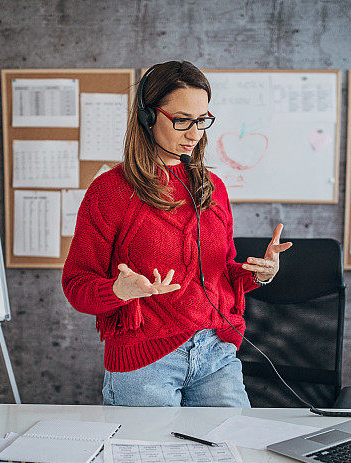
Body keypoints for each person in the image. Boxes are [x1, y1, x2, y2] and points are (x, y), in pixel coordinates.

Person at [62, 60, 291, 407]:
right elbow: (76, 286)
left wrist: (260, 275)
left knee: (235, 454)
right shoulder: (110, 192)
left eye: (202, 120)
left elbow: (218, 275)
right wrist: (117, 290)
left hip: (215, 354)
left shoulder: (214, 189)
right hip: (144, 363)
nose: (195, 133)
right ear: (148, 117)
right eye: (182, 120)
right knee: (146, 460)